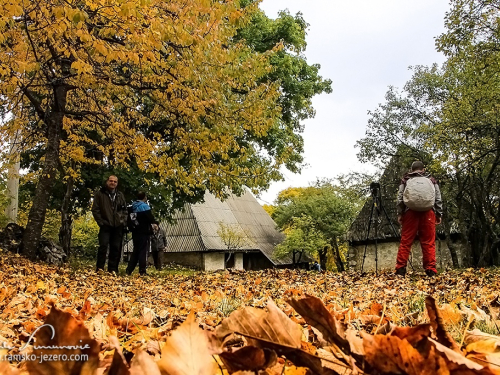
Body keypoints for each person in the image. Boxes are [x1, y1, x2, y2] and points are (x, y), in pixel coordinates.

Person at [395, 161, 443, 277]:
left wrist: (400, 213)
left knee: (406, 241)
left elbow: (400, 197)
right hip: (428, 213)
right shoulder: (431, 179)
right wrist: (439, 213)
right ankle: (430, 270)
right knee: (428, 242)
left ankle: (400, 269)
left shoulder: (405, 180)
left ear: (411, 170)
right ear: (423, 169)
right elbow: (437, 197)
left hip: (410, 213)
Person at [92, 175, 127, 274]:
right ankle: (100, 268)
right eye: (111, 181)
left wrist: (123, 222)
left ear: (117, 183)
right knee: (103, 246)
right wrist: (101, 222)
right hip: (105, 224)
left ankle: (113, 269)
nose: (113, 183)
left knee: (116, 248)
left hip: (118, 225)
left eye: (115, 181)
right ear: (107, 182)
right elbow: (95, 209)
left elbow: (124, 210)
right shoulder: (100, 194)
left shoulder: (120, 195)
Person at [126, 191, 159, 276]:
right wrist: (155, 223)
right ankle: (142, 270)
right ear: (145, 197)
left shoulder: (132, 206)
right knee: (143, 251)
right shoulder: (145, 206)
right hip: (144, 231)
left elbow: (130, 219)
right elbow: (150, 218)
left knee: (136, 250)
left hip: (135, 231)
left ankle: (129, 270)